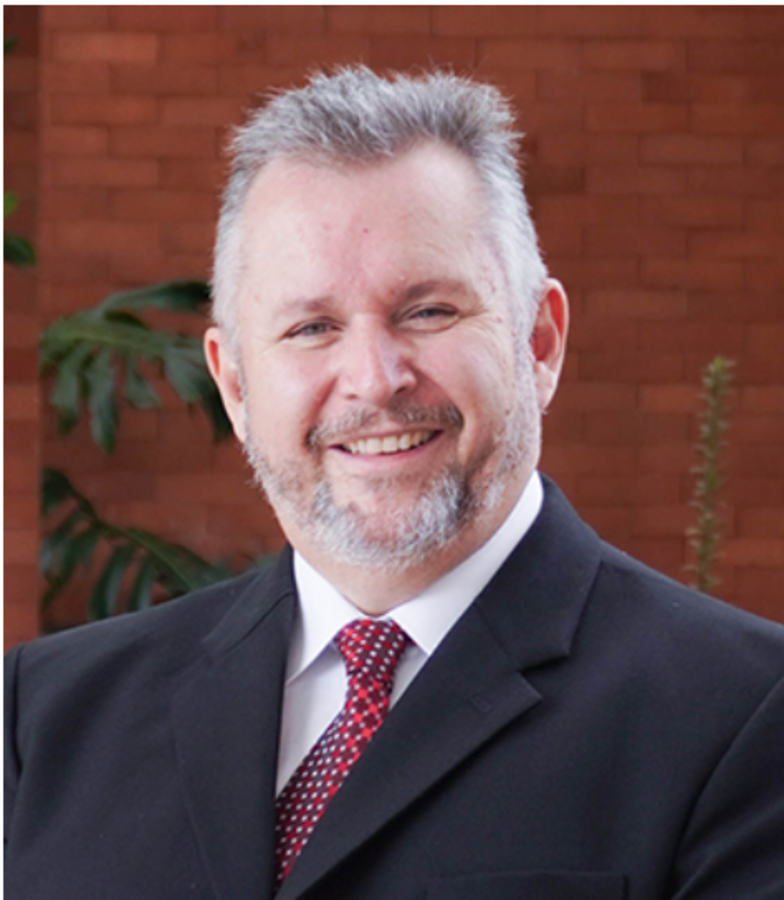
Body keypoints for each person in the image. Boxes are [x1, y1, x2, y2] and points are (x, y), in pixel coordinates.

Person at [5, 67, 784, 900]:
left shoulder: (747, 715)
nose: (375, 381)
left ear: (540, 342)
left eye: (429, 312)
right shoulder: (45, 715)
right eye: (311, 327)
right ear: (234, 385)